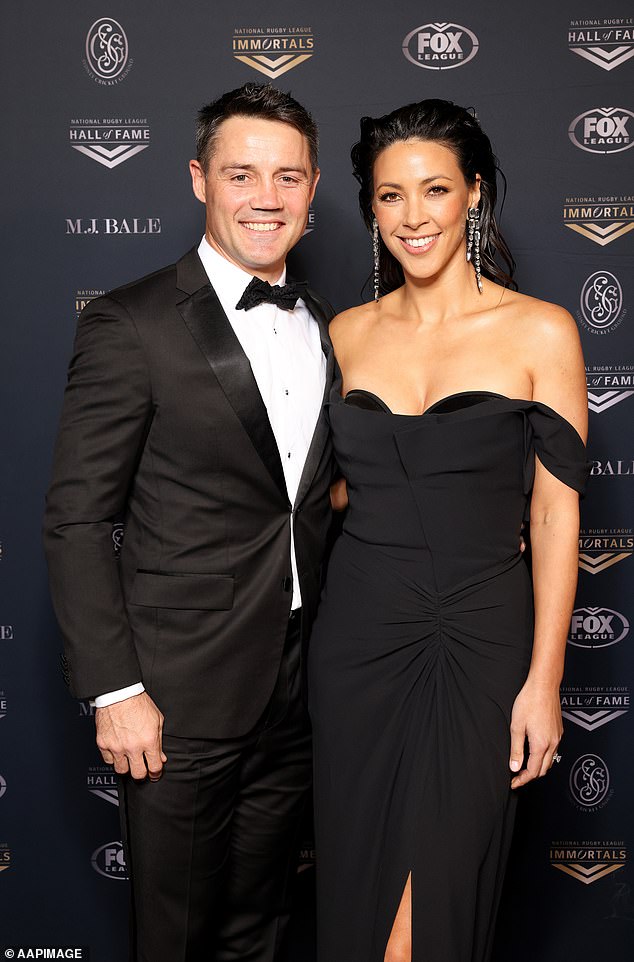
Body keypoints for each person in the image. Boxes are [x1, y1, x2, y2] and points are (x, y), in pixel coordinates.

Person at [43, 83, 336, 962]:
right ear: (199, 179)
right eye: (242, 173)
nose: (267, 196)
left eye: (288, 176)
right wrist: (116, 690)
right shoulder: (129, 323)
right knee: (173, 936)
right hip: (175, 694)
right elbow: (77, 519)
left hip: (298, 683)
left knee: (261, 927)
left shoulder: (325, 325)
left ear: (314, 188)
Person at [307, 99, 589, 962]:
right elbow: (333, 490)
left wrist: (545, 682)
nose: (413, 215)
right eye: (390, 196)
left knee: (432, 913)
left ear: (474, 193)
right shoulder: (345, 334)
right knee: (359, 898)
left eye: (434, 189)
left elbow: (554, 511)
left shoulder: (541, 329)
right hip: (358, 639)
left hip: (481, 637)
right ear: (371, 210)